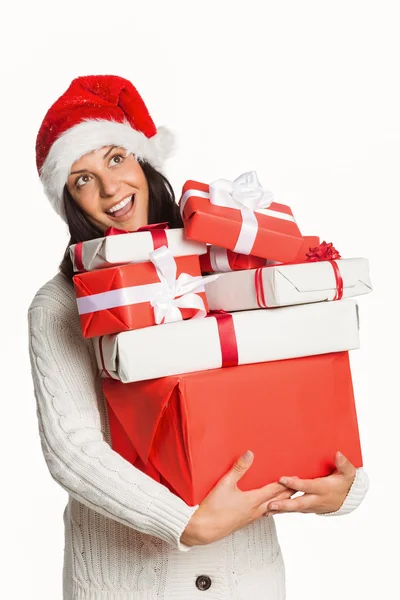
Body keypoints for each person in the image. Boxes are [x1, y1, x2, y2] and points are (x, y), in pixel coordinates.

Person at [28, 74, 370, 600]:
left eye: (116, 159)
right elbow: (72, 449)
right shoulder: (59, 305)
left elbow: (298, 387)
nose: (110, 188)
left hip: (246, 579)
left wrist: (346, 487)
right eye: (82, 179)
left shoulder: (229, 262)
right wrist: (183, 522)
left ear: (144, 161)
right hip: (129, 583)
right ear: (68, 201)